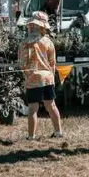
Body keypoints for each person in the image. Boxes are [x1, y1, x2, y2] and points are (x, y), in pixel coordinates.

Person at [18, 12, 63, 140]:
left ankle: (31, 136)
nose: (30, 27)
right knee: (51, 105)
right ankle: (58, 132)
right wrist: (52, 77)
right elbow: (53, 62)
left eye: (32, 25)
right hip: (47, 77)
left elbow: (22, 63)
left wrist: (26, 74)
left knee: (33, 108)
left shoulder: (24, 44)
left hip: (32, 78)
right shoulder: (48, 42)